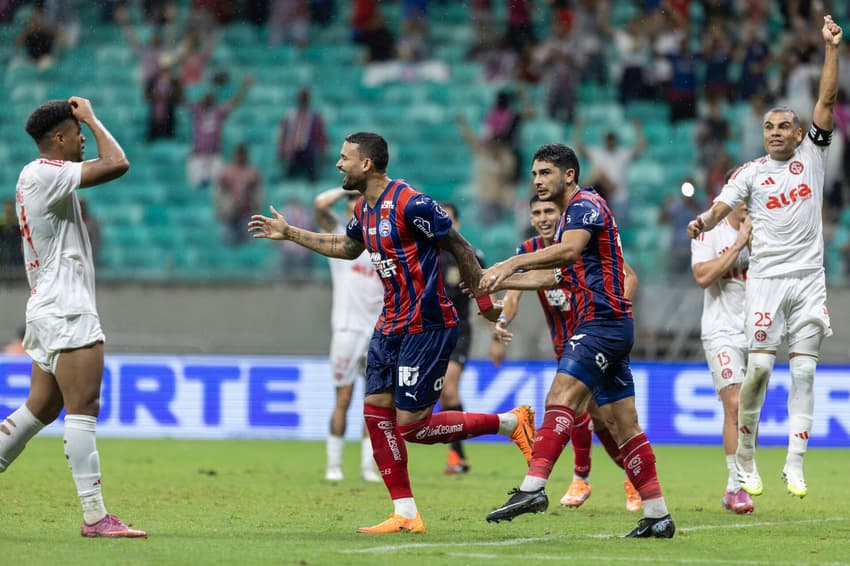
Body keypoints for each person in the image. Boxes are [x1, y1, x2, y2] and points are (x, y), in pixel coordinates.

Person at [249, 131, 536, 534]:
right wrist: (291, 233)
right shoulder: (365, 211)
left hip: (428, 324)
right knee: (375, 412)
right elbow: (346, 247)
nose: (338, 164)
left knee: (412, 426)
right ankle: (405, 512)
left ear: (366, 164)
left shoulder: (411, 203)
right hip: (390, 324)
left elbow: (461, 247)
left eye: (345, 157)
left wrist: (487, 307)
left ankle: (509, 423)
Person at [479, 143, 674, 538]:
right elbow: (553, 276)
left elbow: (567, 254)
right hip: (611, 324)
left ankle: (533, 489)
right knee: (626, 426)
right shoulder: (574, 213)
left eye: (545, 173)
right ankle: (658, 515)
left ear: (568, 175)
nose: (537, 180)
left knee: (560, 398)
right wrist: (500, 278)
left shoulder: (585, 206)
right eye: (534, 174)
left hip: (600, 323)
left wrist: (510, 262)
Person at [687, 15, 842, 500]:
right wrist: (704, 224)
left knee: (805, 371)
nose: (775, 132)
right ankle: (747, 459)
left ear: (799, 134)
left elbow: (826, 100)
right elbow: (720, 206)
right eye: (768, 127)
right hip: (767, 281)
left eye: (783, 126)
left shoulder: (812, 158)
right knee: (759, 371)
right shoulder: (751, 173)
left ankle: (794, 464)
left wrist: (832, 48)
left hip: (809, 278)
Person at [0, 97, 146, 538]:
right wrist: (93, 117)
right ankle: (95, 516)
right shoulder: (46, 172)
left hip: (48, 305)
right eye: (77, 131)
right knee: (84, 407)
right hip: (66, 308)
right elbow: (118, 163)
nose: (83, 137)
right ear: (59, 139)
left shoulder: (34, 178)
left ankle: (95, 515)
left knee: (38, 409)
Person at [492, 194, 642, 513]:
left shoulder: (580, 241)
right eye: (537, 213)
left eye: (549, 210)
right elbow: (515, 293)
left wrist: (615, 308)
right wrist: (503, 318)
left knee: (606, 419)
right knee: (594, 417)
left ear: (562, 215)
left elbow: (628, 275)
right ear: (531, 218)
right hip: (567, 343)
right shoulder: (529, 251)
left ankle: (590, 478)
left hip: (597, 333)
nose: (543, 217)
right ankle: (612, 479)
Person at [313, 187, 383, 483]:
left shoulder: (384, 241)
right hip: (346, 330)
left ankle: (368, 466)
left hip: (379, 331)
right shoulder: (340, 238)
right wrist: (350, 189)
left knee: (375, 402)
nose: (355, 207)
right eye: (351, 204)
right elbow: (319, 204)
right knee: (343, 398)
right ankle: (334, 465)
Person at [691, 200, 755, 514]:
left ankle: (736, 486)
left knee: (748, 413)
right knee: (735, 404)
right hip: (721, 331)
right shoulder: (708, 232)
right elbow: (702, 276)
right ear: (726, 203)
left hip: (758, 334)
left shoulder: (767, 230)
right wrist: (739, 244)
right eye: (742, 198)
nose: (748, 205)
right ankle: (737, 486)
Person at [436, 202, 485, 475]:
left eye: (449, 219)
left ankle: (458, 455)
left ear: (458, 223)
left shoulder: (470, 254)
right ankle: (458, 455)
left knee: (449, 389)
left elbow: (486, 292)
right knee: (442, 395)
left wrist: (497, 332)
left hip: (458, 331)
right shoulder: (428, 254)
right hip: (429, 332)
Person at [186, 75, 255, 189]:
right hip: (197, 156)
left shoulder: (218, 111)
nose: (207, 98)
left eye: (210, 96)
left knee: (218, 189)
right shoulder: (197, 110)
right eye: (205, 95)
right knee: (196, 188)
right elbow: (182, 99)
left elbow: (234, 102)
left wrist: (245, 87)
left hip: (214, 157)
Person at [214, 143, 263, 246]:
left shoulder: (252, 172)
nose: (240, 157)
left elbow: (258, 194)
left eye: (242, 154)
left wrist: (256, 210)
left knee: (247, 243)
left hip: (246, 213)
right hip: (229, 214)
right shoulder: (227, 172)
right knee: (227, 242)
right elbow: (218, 193)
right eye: (238, 154)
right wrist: (220, 210)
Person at [277, 88, 328, 184]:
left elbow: (321, 137)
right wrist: (281, 151)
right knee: (288, 177)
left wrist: (322, 153)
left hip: (308, 152)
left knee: (312, 173)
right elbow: (283, 136)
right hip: (293, 153)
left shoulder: (315, 117)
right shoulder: (289, 116)